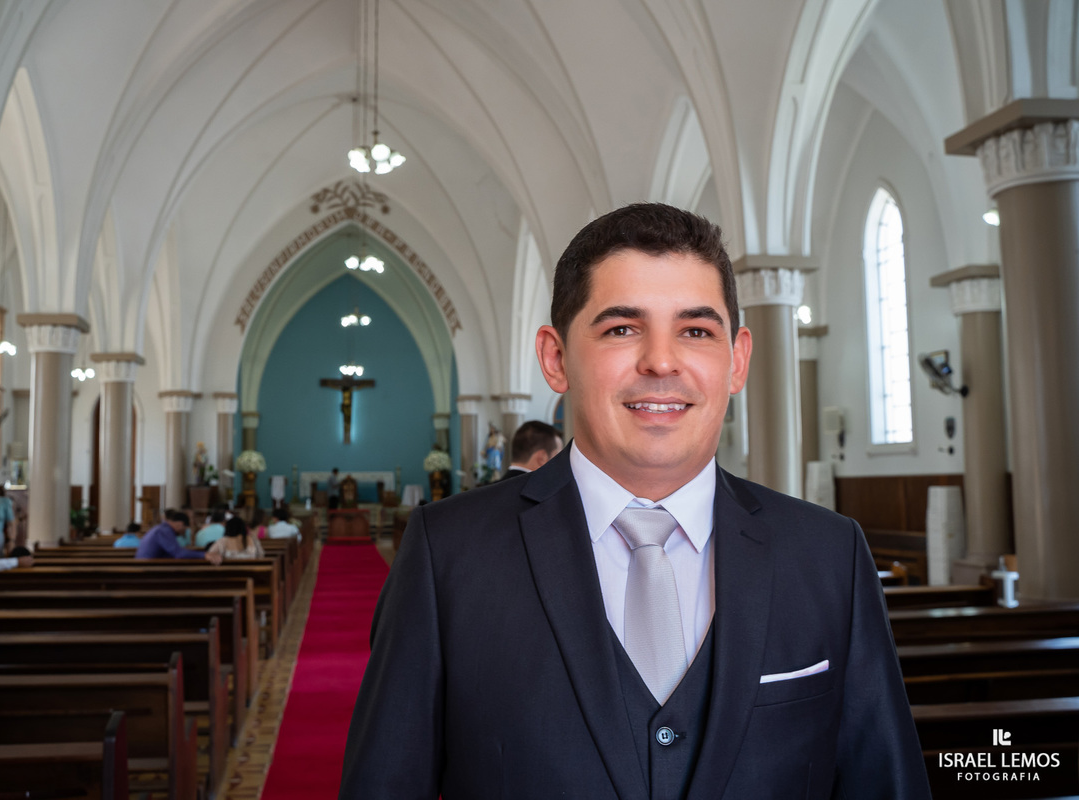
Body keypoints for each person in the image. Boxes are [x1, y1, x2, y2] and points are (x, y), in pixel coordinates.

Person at [340, 204, 930, 799]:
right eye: (622, 328)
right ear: (556, 358)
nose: (662, 361)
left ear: (738, 360)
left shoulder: (830, 555)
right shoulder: (449, 554)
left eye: (696, 331)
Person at [135, 509, 222, 563]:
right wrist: (204, 555)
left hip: (148, 566)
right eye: (185, 529)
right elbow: (178, 553)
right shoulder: (164, 531)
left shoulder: (162, 529)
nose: (183, 532)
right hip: (147, 570)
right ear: (180, 524)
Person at [498, 420, 564, 481]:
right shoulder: (541, 492)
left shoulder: (489, 490)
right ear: (542, 458)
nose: (561, 463)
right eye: (558, 455)